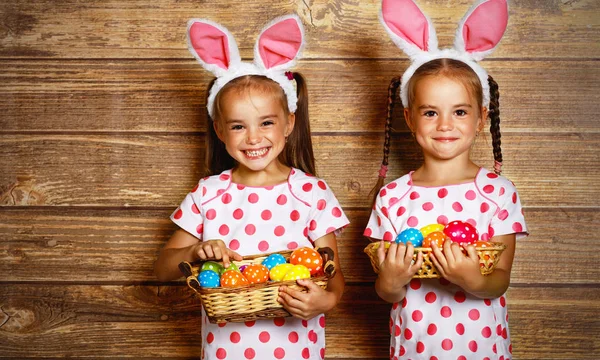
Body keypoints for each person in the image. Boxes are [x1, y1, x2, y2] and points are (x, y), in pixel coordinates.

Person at [154, 15, 349, 360]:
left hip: (297, 350)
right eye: (238, 126)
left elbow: (333, 274)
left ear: (289, 122)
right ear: (219, 130)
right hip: (224, 352)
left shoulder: (311, 193)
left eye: (267, 122)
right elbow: (163, 267)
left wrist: (326, 300)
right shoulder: (208, 194)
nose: (254, 138)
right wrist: (195, 252)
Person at [365, 0, 528, 358]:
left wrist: (474, 280)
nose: (444, 125)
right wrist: (389, 283)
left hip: (483, 349)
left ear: (481, 117)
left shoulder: (498, 193)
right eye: (430, 112)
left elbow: (501, 278)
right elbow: (388, 292)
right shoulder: (392, 197)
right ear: (409, 118)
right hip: (413, 349)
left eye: (459, 111)